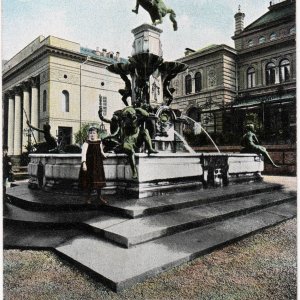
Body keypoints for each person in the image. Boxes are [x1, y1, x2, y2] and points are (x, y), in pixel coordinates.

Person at [78, 126, 107, 204]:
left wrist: (104, 155)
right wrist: (84, 164)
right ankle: (88, 198)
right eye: (90, 133)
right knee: (89, 181)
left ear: (97, 134)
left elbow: (101, 151)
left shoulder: (99, 142)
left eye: (94, 133)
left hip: (98, 164)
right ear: (88, 134)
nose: (92, 135)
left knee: (99, 180)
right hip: (90, 164)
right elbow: (83, 154)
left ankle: (99, 197)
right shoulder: (86, 143)